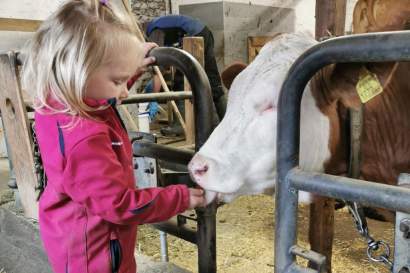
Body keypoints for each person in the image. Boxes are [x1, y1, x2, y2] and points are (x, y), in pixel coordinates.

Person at [21, 1, 206, 273]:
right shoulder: (84, 139)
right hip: (95, 254)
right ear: (77, 72)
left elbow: (101, 92)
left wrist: (129, 67)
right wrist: (180, 198)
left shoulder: (61, 100)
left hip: (75, 233)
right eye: (118, 81)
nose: (124, 93)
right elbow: (120, 205)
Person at [146, 15, 227, 135]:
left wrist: (152, 98)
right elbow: (166, 61)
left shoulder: (153, 31)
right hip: (205, 31)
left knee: (181, 80)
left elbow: (158, 67)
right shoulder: (163, 26)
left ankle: (180, 125)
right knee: (212, 79)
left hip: (193, 35)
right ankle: (226, 120)